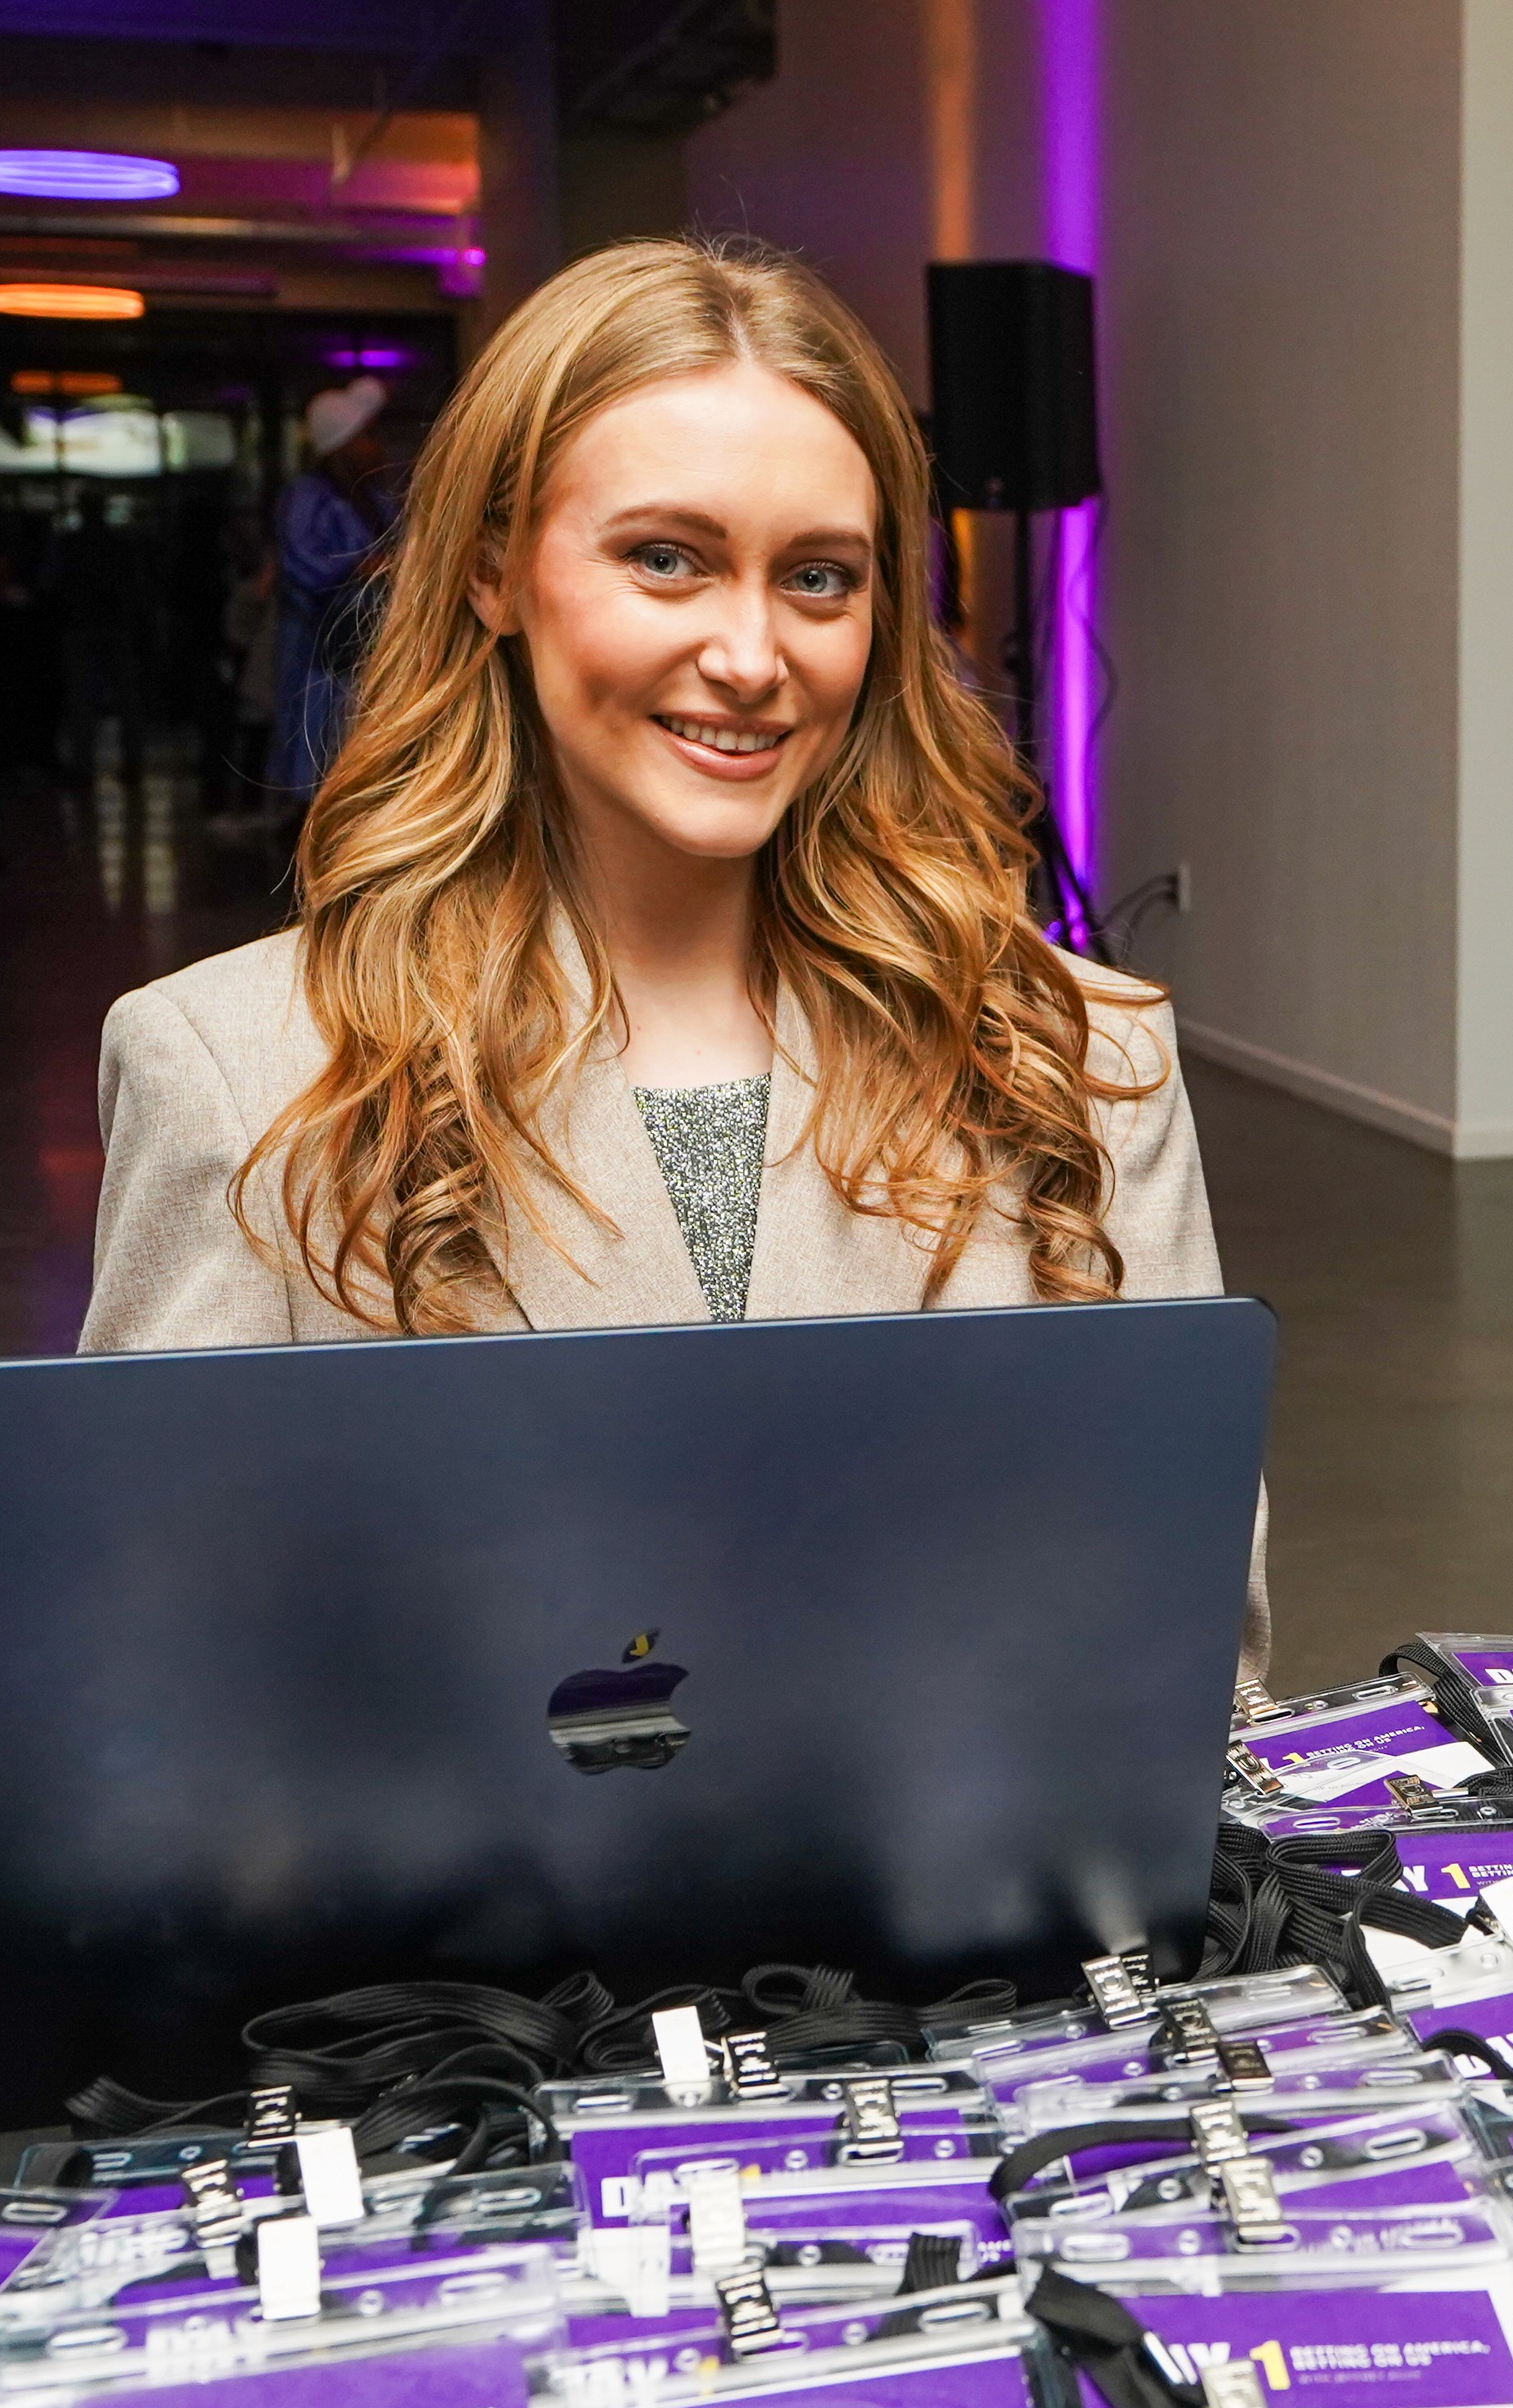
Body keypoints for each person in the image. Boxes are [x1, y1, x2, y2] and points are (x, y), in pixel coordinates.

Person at [79, 236, 1267, 1678]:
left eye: (819, 577)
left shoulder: (1082, 1054)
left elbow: (1191, 1654)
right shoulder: (242, 1071)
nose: (753, 652)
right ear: (491, 574)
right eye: (664, 558)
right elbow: (164, 1681)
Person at [265, 376, 397, 803]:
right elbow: (302, 564)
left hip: (370, 649)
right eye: (366, 437)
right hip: (319, 652)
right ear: (342, 445)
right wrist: (362, 567)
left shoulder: (375, 498)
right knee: (318, 753)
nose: (376, 447)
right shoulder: (306, 497)